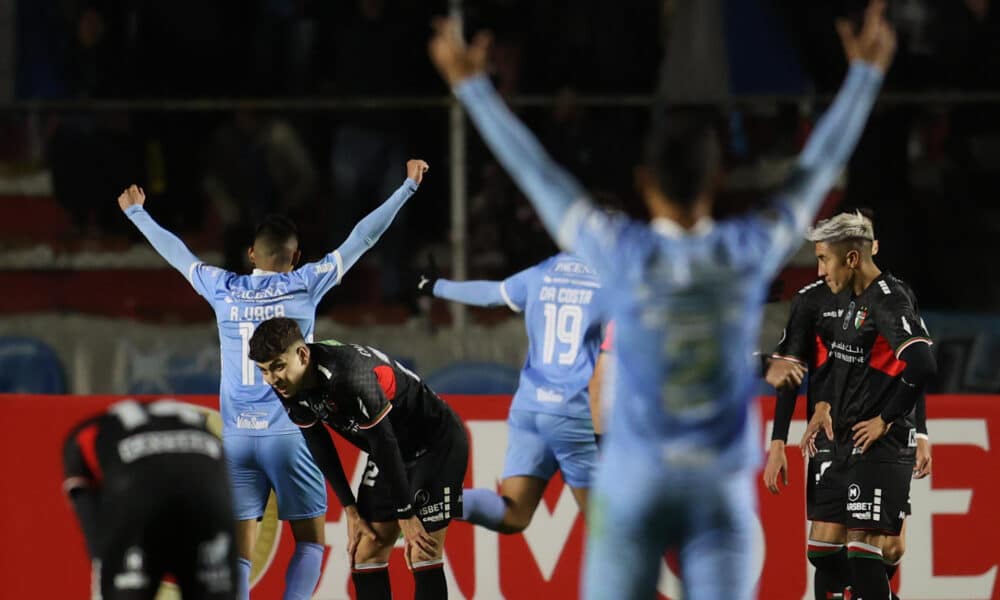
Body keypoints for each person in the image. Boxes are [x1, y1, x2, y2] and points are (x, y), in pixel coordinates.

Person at [428, 2, 895, 597]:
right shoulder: (746, 249)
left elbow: (538, 174)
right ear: (718, 179)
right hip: (716, 495)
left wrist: (472, 89)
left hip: (634, 492)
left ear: (644, 184)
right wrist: (864, 77)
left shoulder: (618, 251)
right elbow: (817, 169)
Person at [118, 158, 429, 600]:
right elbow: (363, 236)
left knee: (240, 553)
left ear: (251, 255)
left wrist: (137, 213)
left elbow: (178, 255)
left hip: (238, 436)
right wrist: (407, 188)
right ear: (295, 257)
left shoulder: (222, 287)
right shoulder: (306, 283)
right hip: (291, 433)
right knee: (310, 541)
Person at [763, 215, 932, 600]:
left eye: (824, 258)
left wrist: (916, 430)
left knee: (882, 549)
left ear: (856, 255)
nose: (820, 269)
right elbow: (803, 369)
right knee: (825, 550)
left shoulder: (890, 297)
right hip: (833, 434)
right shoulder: (814, 300)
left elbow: (915, 364)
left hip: (878, 434)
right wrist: (786, 435)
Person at [247, 317, 468, 600]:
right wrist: (350, 508)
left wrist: (406, 514)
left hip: (436, 442)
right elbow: (318, 441)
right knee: (366, 550)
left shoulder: (350, 374)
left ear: (302, 354)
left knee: (421, 550)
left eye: (277, 366)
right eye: (263, 370)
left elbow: (384, 442)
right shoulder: (287, 382)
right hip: (391, 447)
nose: (271, 379)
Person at [418, 252, 603, 533]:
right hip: (574, 412)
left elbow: (492, 294)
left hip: (529, 407)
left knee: (514, 512)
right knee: (610, 529)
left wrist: (436, 286)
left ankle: (436, 501)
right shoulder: (612, 283)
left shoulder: (544, 270)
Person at [63, 399, 238, 600]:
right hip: (208, 493)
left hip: (140, 496)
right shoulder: (202, 430)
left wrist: (105, 571)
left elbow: (90, 519)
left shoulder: (81, 438)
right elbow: (223, 489)